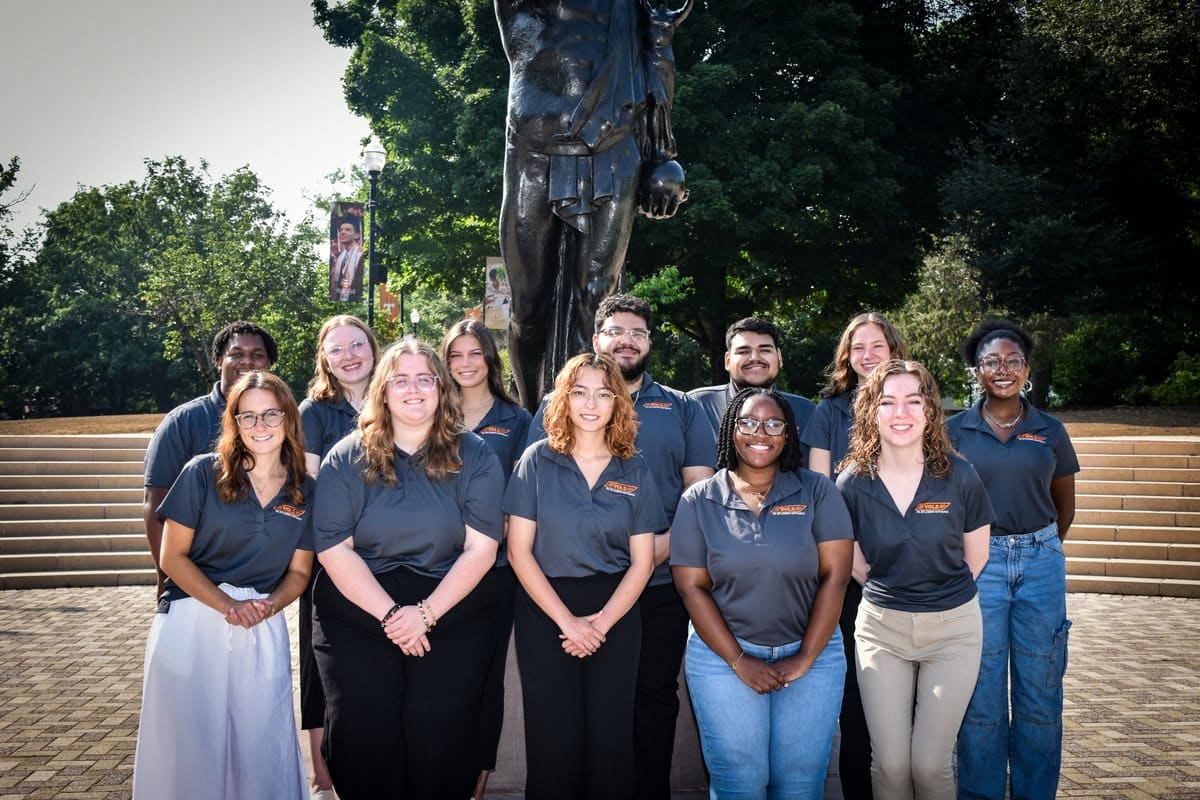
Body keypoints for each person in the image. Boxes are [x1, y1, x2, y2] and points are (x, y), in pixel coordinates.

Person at [526, 294, 713, 799]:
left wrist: (643, 561)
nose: (626, 340)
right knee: (568, 718)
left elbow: (697, 500)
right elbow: (531, 506)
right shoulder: (552, 409)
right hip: (569, 590)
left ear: (650, 342)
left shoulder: (683, 407)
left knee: (651, 699)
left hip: (655, 583)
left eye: (638, 332)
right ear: (596, 339)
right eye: (615, 331)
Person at [310, 339, 505, 799]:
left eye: (424, 378)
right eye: (400, 379)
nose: (413, 389)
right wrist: (393, 617)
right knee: (363, 736)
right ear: (382, 389)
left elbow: (480, 549)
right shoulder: (346, 455)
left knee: (440, 735)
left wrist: (425, 614)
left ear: (441, 388)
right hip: (358, 608)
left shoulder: (475, 455)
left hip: (450, 604)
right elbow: (335, 548)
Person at [496, 0, 689, 408]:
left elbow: (654, 58)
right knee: (528, 305)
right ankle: (530, 413)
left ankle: (589, 414)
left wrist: (661, 157)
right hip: (533, 148)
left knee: (597, 299)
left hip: (615, 145)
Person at [132, 371, 314, 800]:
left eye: (270, 414)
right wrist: (227, 604)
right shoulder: (202, 473)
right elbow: (171, 557)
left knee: (259, 745)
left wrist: (267, 607)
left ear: (288, 417)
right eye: (246, 416)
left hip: (261, 623)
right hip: (193, 618)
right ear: (232, 421)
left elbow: (300, 574)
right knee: (191, 747)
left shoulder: (305, 489)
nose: (260, 426)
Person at [671, 387, 854, 798]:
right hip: (722, 659)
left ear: (789, 435)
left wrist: (805, 658)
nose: (761, 432)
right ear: (731, 430)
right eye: (749, 422)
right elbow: (692, 587)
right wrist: (739, 660)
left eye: (774, 424)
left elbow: (836, 577)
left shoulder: (817, 491)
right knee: (740, 783)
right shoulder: (699, 499)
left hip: (813, 658)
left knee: (800, 785)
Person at [504, 353, 666, 799]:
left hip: (616, 611)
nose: (590, 404)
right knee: (553, 741)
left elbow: (643, 561)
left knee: (610, 740)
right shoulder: (536, 461)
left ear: (618, 402)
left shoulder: (634, 467)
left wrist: (600, 624)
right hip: (545, 611)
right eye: (579, 392)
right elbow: (519, 553)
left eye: (602, 393)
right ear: (564, 399)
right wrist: (568, 623)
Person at [836, 360, 992, 800]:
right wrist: (896, 594)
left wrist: (934, 597)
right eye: (887, 402)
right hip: (881, 632)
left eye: (912, 400)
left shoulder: (961, 477)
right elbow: (854, 562)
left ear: (929, 411)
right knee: (889, 765)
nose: (900, 412)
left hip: (953, 632)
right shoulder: (851, 483)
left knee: (929, 765)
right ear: (872, 412)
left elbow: (976, 557)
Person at [948, 320, 1078, 800]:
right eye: (991, 361)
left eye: (1013, 360)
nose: (1002, 369)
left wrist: (1039, 545)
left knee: (1040, 696)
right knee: (979, 698)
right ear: (976, 370)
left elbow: (1064, 504)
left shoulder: (1050, 429)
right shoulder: (951, 431)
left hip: (1041, 562)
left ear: (1026, 369)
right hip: (979, 568)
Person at [801, 310, 908, 800]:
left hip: (911, 572)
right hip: (850, 574)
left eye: (877, 347)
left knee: (909, 702)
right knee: (858, 699)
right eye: (857, 347)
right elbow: (823, 496)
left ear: (895, 352)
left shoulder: (915, 407)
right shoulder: (828, 413)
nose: (866, 356)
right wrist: (856, 564)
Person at [439, 318, 532, 800]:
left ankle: (474, 786)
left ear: (491, 360)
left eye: (475, 353)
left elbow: (522, 503)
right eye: (455, 355)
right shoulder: (429, 413)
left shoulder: (517, 421)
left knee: (483, 681)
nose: (465, 364)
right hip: (430, 570)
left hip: (493, 572)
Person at [298, 314, 379, 800]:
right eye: (337, 349)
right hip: (330, 556)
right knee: (319, 663)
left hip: (387, 555)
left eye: (357, 345)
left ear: (373, 348)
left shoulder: (399, 398)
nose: (349, 355)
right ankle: (322, 773)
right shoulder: (314, 412)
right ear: (324, 359)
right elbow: (309, 489)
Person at [143, 321, 278, 597]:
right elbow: (156, 504)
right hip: (195, 581)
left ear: (269, 364)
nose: (247, 362)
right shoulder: (183, 422)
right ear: (219, 359)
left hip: (258, 587)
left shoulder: (281, 424)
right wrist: (166, 577)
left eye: (257, 355)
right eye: (236, 354)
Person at [688, 317, 816, 463]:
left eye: (765, 350)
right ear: (728, 361)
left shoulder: (808, 413)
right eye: (743, 351)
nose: (755, 358)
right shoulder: (696, 406)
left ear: (779, 358)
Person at [329, 217, 364, 302]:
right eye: (341, 230)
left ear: (357, 235)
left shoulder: (360, 255)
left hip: (354, 297)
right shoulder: (340, 257)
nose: (342, 232)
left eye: (347, 230)